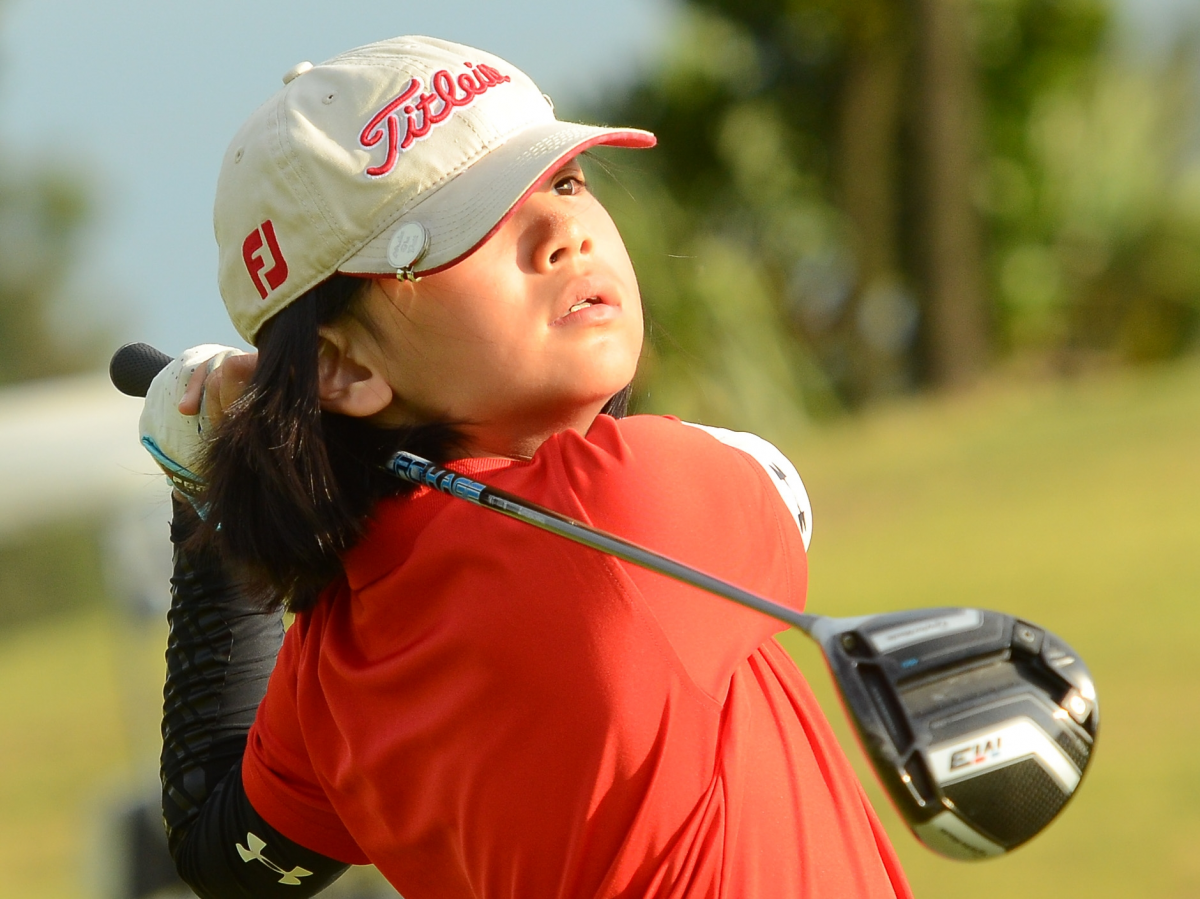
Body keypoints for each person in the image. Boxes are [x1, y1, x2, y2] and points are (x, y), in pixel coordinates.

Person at [141, 35, 914, 899]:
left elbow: (226, 854)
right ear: (344, 368)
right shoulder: (622, 510)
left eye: (564, 180)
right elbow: (777, 482)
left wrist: (206, 495)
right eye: (468, 226)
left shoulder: (333, 665)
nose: (564, 233)